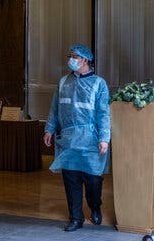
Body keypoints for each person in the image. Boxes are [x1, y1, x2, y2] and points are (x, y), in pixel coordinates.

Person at [43, 43, 110, 232]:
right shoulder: (64, 82)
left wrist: (104, 138)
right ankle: (76, 218)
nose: (70, 60)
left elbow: (103, 113)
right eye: (70, 56)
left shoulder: (98, 83)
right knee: (71, 180)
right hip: (69, 140)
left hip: (91, 140)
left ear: (85, 60)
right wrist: (49, 129)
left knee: (93, 181)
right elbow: (55, 108)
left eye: (74, 56)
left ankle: (95, 206)